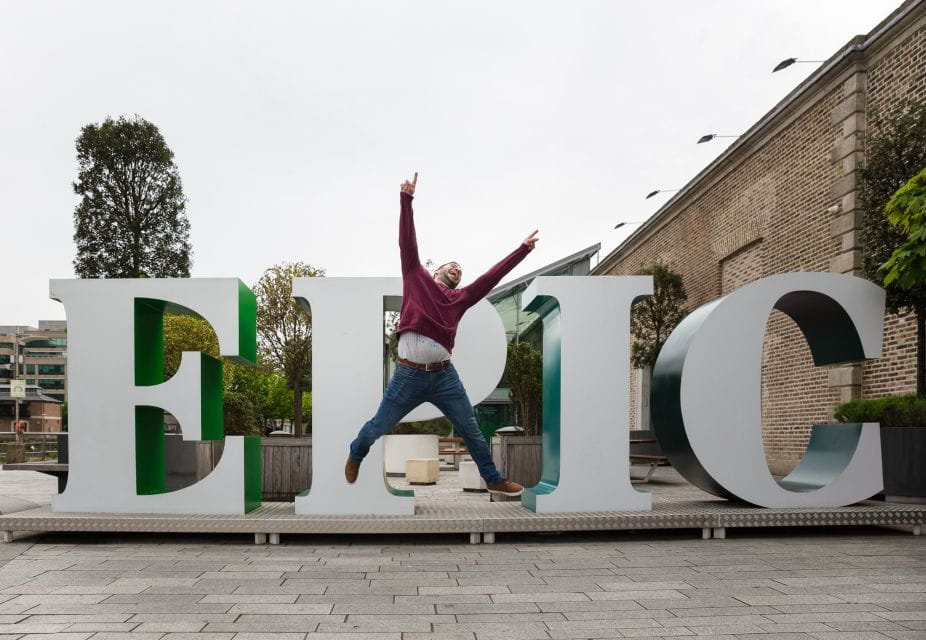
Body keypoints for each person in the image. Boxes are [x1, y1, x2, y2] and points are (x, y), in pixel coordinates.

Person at [345, 172, 539, 496]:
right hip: (408, 374)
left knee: (471, 429)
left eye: (460, 269)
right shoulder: (415, 276)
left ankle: (493, 478)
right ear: (435, 271)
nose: (457, 269)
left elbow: (491, 277)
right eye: (451, 265)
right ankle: (356, 451)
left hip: (444, 377)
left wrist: (522, 250)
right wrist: (406, 201)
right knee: (380, 424)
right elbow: (407, 243)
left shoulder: (460, 299)